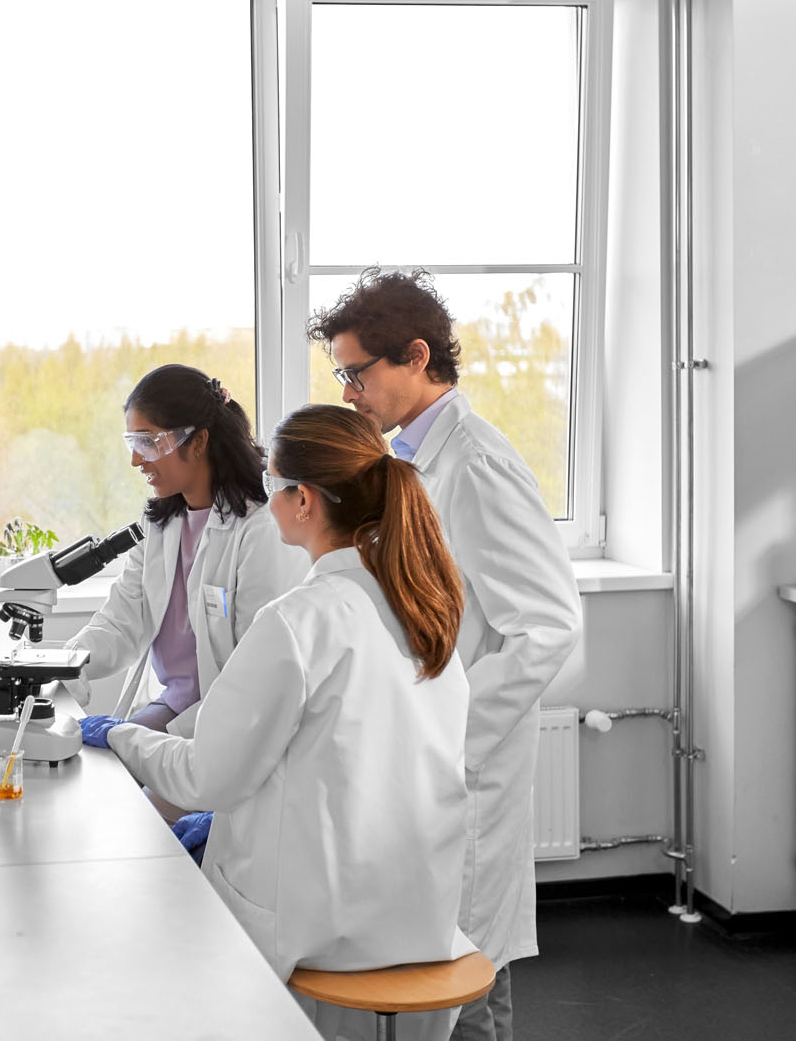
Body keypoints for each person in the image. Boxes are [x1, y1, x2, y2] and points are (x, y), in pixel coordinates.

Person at [85, 403, 473, 1041]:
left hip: (320, 928)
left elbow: (206, 777)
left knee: (149, 922)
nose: (266, 503)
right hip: (416, 914)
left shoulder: (299, 621)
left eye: (273, 488)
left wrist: (121, 736)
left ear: (303, 501)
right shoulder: (423, 608)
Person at [309, 268, 582, 1041]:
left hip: (462, 769)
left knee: (463, 989)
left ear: (418, 356)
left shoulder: (480, 464)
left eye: (357, 373)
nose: (348, 391)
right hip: (423, 762)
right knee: (438, 978)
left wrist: (448, 737)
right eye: (342, 375)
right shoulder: (413, 463)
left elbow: (550, 626)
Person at [70, 364, 307, 754]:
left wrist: (148, 742)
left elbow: (255, 674)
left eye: (147, 442)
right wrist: (58, 665)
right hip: (176, 709)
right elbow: (120, 623)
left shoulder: (261, 529)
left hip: (231, 725)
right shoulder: (161, 523)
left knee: (129, 801)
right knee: (92, 773)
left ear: (197, 442)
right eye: (131, 441)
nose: (135, 460)